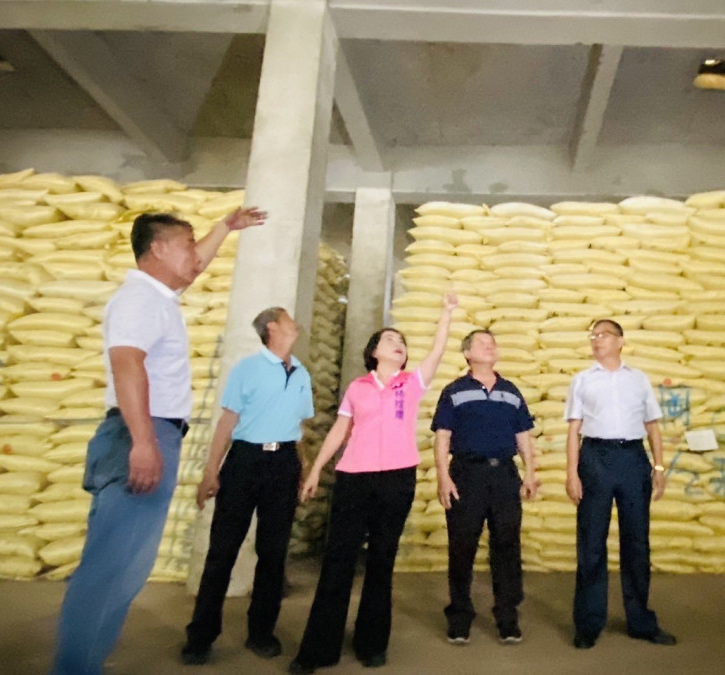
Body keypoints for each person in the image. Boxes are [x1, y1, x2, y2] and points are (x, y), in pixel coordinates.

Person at [52, 207, 265, 674]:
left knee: (121, 567)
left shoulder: (157, 297)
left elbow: (195, 268)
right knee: (112, 569)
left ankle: (82, 662)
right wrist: (144, 442)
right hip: (141, 432)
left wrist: (224, 230)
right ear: (159, 248)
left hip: (147, 431)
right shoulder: (139, 301)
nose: (196, 256)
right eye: (187, 245)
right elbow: (127, 364)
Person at [288, 293, 457, 674]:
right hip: (354, 478)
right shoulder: (357, 387)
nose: (398, 344)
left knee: (381, 561)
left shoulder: (411, 384)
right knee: (338, 562)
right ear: (374, 352)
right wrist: (315, 471)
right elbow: (339, 430)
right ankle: (317, 650)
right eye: (390, 340)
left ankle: (372, 643)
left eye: (402, 342)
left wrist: (445, 314)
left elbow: (437, 352)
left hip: (397, 479)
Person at [181, 307, 314, 665]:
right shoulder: (248, 369)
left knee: (273, 553)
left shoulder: (301, 373)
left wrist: (303, 468)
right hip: (244, 462)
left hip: (283, 463)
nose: (295, 324)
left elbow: (297, 426)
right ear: (272, 328)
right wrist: (211, 471)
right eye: (289, 319)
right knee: (222, 551)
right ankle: (201, 636)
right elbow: (227, 421)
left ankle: (261, 632)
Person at [564, 319, 676, 650]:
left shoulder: (638, 380)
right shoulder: (581, 380)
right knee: (591, 544)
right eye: (593, 336)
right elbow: (574, 430)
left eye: (604, 335)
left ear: (620, 341)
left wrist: (658, 465)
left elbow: (653, 425)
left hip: (632, 458)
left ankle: (641, 621)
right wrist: (572, 472)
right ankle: (588, 624)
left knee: (637, 543)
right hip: (595, 458)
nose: (597, 341)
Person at [432, 329, 538, 646]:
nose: (490, 345)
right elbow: (442, 436)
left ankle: (507, 618)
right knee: (462, 546)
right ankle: (460, 617)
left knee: (507, 546)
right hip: (467, 475)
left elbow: (523, 437)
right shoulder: (455, 391)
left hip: (505, 475)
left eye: (493, 341)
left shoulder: (511, 391)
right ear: (467, 354)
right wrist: (442, 476)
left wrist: (530, 472)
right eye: (481, 342)